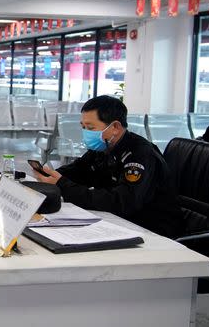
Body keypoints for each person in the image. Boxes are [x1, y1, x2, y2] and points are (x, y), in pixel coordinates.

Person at [34, 95, 183, 238]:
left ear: (115, 127)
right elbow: (77, 170)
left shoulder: (140, 154)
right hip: (118, 221)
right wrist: (50, 176)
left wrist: (63, 185)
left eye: (91, 128)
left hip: (151, 229)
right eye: (83, 127)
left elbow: (122, 202)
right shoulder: (103, 148)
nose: (86, 133)